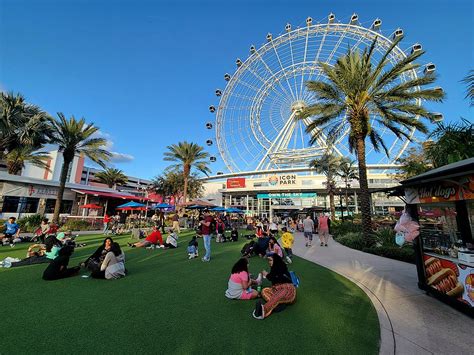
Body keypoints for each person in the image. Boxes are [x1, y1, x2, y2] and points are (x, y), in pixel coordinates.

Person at [252, 254, 296, 319]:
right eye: (268, 260)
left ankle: (263, 310)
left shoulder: (281, 268)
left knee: (279, 295)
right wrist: (267, 275)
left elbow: (276, 278)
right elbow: (273, 278)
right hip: (276, 289)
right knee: (264, 291)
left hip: (287, 288)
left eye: (270, 260)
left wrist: (267, 275)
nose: (269, 262)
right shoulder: (274, 269)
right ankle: (278, 306)